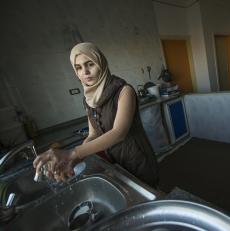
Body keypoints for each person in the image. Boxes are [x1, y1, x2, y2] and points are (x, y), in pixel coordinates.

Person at [33, 42, 159, 187]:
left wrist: (73, 153)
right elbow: (93, 135)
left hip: (137, 160)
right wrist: (76, 159)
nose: (85, 72)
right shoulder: (88, 100)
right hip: (116, 161)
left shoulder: (124, 91)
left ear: (101, 63)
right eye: (79, 68)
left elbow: (119, 132)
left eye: (90, 64)